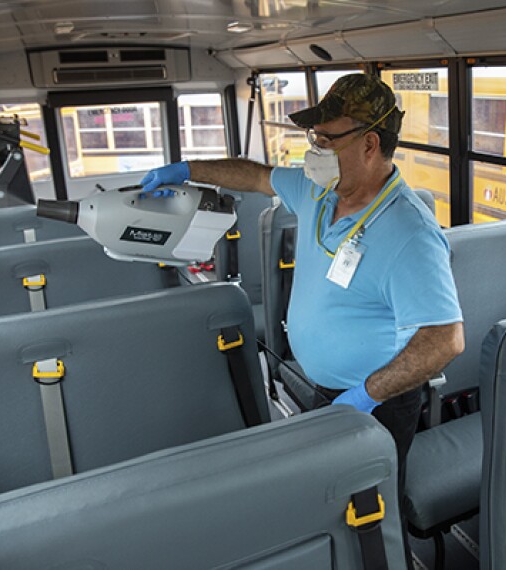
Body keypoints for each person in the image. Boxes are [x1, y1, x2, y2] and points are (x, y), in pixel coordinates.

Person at [141, 73, 464, 563]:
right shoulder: (319, 192)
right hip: (325, 388)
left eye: (326, 139)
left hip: (376, 400)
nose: (313, 150)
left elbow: (445, 339)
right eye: (313, 138)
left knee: (373, 512)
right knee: (331, 501)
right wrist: (187, 170)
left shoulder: (408, 234)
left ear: (370, 143)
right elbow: (253, 175)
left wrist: (364, 396)